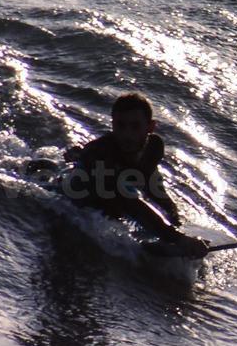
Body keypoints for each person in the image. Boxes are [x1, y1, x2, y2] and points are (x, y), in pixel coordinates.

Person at [60, 92, 208, 256]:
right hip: (75, 197)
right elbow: (130, 202)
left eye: (135, 126)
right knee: (113, 209)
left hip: (115, 189)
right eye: (120, 125)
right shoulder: (103, 154)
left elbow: (155, 190)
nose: (127, 134)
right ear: (113, 124)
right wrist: (179, 239)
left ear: (150, 127)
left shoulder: (154, 146)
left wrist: (175, 223)